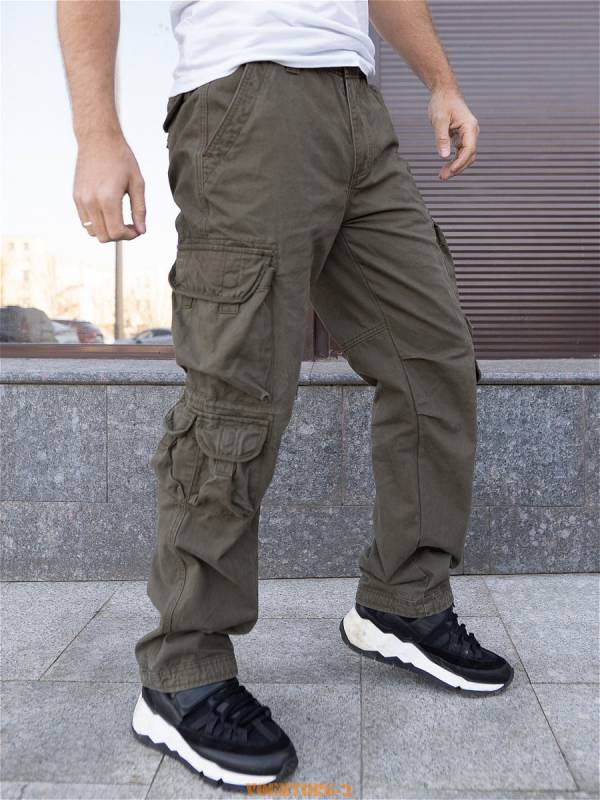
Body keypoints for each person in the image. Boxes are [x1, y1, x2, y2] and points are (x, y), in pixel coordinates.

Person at [58, 0, 513, 789]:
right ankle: (182, 671)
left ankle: (403, 600)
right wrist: (97, 133)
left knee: (433, 361)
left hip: (358, 108)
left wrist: (440, 81)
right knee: (237, 392)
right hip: (248, 93)